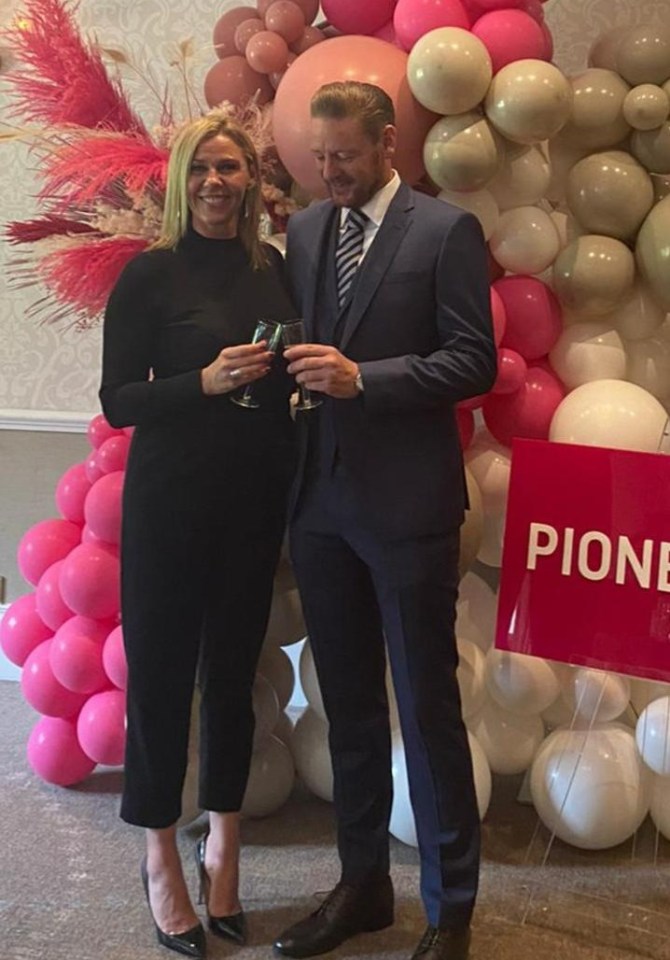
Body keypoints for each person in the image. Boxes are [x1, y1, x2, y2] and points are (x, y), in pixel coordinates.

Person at [273, 82, 497, 960]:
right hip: (319, 506)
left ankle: (451, 914)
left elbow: (472, 358)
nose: (329, 173)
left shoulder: (445, 233)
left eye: (346, 157)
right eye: (319, 157)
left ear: (388, 143)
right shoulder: (301, 230)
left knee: (427, 709)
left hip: (407, 511)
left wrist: (370, 378)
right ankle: (363, 887)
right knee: (350, 711)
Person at [99, 112, 296, 960]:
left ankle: (224, 843)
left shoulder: (275, 272)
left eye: (233, 167)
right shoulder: (149, 276)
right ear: (183, 181)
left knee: (232, 680)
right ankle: (157, 855)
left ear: (253, 180)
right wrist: (203, 381)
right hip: (169, 507)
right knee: (162, 682)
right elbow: (119, 401)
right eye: (203, 168)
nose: (218, 181)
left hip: (252, 506)